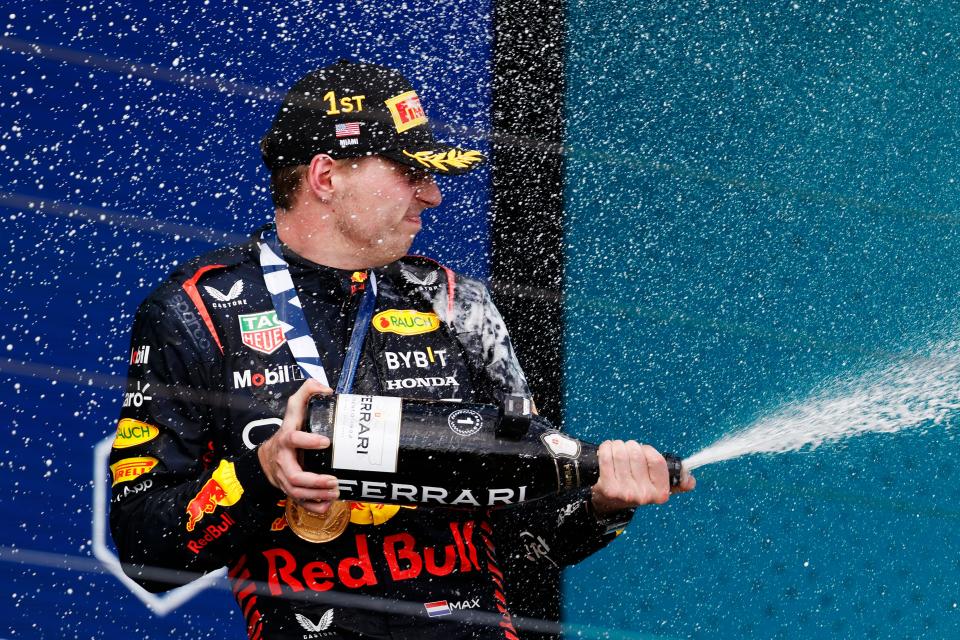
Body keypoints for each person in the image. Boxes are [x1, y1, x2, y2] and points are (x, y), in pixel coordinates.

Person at [109, 59, 695, 640]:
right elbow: (144, 550)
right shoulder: (195, 311)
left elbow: (522, 544)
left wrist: (599, 503)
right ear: (325, 176)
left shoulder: (458, 304)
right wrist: (262, 473)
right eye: (409, 174)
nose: (433, 195)